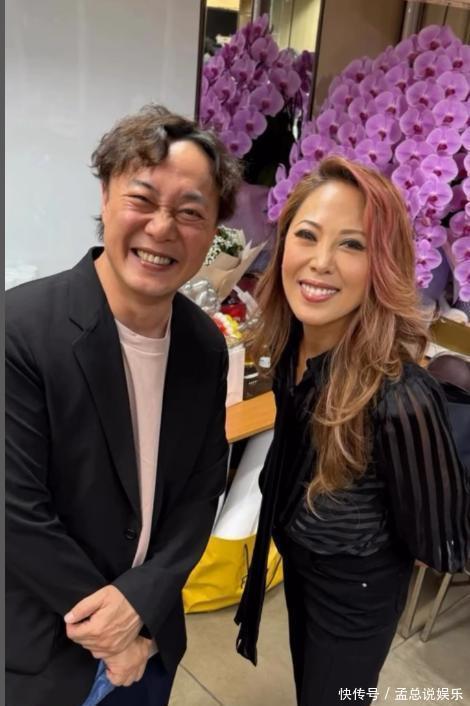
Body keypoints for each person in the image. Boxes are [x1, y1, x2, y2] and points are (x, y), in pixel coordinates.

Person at [6, 104, 242, 706]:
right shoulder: (20, 329)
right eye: (143, 199)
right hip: (43, 651)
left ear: (213, 230)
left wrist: (142, 605)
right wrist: (114, 635)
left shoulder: (203, 343)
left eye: (190, 212)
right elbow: (16, 512)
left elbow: (201, 490)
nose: (162, 228)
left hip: (152, 640)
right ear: (106, 195)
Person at [234, 156, 470, 706]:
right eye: (307, 235)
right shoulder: (291, 348)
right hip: (299, 565)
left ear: (382, 265)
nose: (320, 262)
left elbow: (441, 540)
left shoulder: (400, 397)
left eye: (352, 245)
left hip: (355, 596)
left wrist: (360, 537)